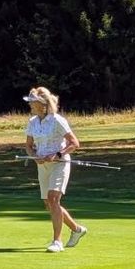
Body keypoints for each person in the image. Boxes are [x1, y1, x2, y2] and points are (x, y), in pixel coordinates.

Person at [24, 85, 86, 252]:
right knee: (48, 204)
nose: (30, 105)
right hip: (42, 166)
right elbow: (29, 146)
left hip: (60, 164)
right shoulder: (32, 122)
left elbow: (74, 143)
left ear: (42, 104)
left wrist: (57, 155)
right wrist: (34, 156)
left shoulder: (57, 120)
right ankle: (77, 229)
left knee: (53, 199)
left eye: (33, 102)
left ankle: (57, 241)